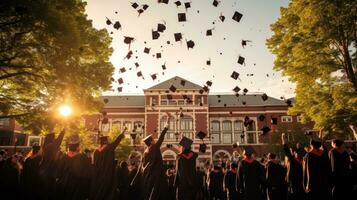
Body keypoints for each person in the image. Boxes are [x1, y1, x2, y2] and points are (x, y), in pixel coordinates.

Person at [140, 112, 171, 200]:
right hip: (157, 176)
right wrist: (168, 120)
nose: (154, 140)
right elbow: (162, 136)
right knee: (158, 194)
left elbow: (143, 165)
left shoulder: (145, 152)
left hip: (148, 177)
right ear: (151, 142)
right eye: (153, 139)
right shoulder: (154, 147)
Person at [89, 127, 127, 200]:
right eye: (108, 140)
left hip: (97, 177)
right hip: (107, 176)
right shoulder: (109, 148)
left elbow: (93, 164)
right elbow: (116, 141)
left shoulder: (95, 152)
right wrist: (122, 133)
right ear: (105, 141)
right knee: (107, 193)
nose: (109, 141)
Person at [55, 134, 92, 200]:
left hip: (65, 185)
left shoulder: (63, 157)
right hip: (77, 186)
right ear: (77, 147)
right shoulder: (82, 157)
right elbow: (87, 173)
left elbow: (58, 172)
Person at [38, 129, 66, 199]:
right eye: (54, 137)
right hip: (50, 173)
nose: (54, 139)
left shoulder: (45, 146)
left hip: (43, 172)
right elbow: (58, 140)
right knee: (50, 192)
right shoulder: (51, 146)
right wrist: (63, 131)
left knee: (44, 192)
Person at [303, 135, 331, 200]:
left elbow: (308, 171)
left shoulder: (309, 155)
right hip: (325, 183)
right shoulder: (324, 154)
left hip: (314, 185)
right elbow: (328, 168)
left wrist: (307, 185)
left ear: (312, 145)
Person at [281, 133, 306, 200]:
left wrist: (283, 139)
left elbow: (285, 148)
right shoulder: (304, 163)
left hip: (293, 185)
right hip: (302, 185)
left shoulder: (292, 160)